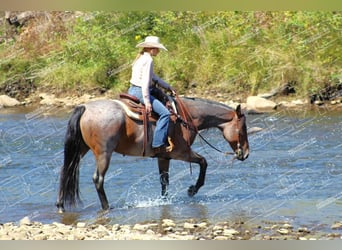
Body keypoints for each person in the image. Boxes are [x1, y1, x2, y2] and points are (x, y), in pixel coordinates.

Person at [128, 35, 176, 152]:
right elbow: (145, 82)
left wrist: (168, 86)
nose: (158, 51)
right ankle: (157, 144)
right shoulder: (148, 60)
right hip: (141, 91)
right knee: (165, 113)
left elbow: (153, 77)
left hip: (132, 89)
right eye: (157, 48)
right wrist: (148, 101)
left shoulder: (141, 58)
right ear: (151, 48)